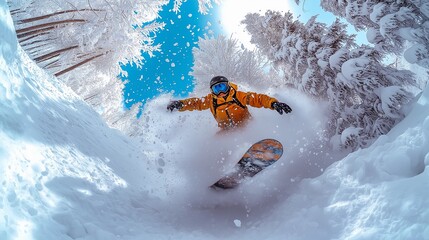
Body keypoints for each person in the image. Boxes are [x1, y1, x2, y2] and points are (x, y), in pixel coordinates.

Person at [167, 76, 292, 131]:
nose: (221, 91)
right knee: (215, 143)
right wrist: (180, 104)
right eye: (217, 89)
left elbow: (258, 98)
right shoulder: (211, 101)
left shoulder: (238, 95)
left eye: (222, 86)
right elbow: (195, 103)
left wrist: (274, 104)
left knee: (248, 132)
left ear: (228, 86)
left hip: (246, 126)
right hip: (226, 131)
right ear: (212, 91)